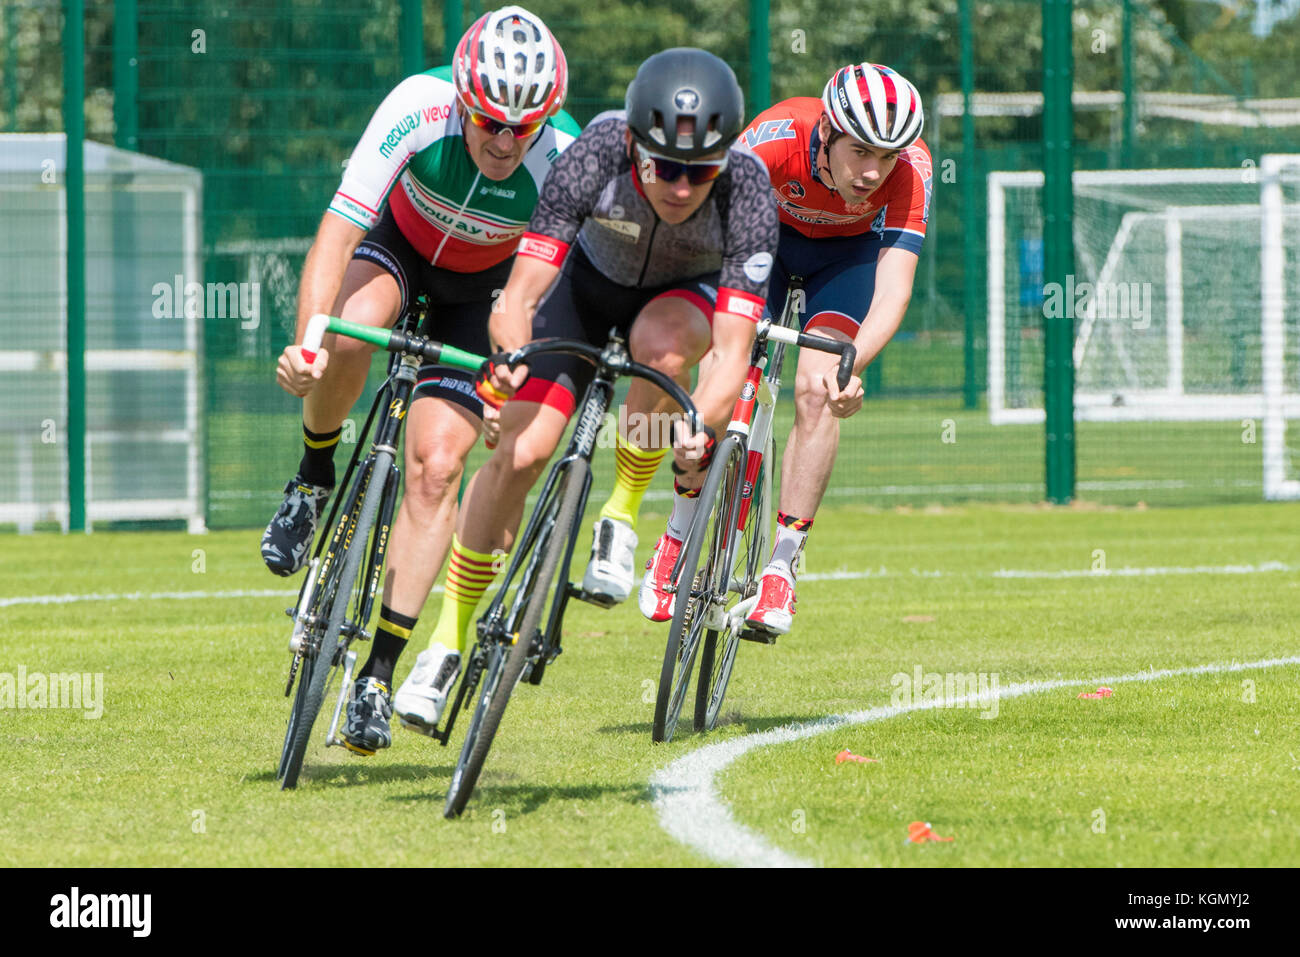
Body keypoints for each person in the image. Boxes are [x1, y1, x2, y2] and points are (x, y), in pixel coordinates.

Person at [390, 48, 780, 733]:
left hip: (678, 302)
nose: (682, 187)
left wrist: (699, 423)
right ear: (633, 145)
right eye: (665, 167)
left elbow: (731, 351)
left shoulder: (747, 190)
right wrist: (509, 356)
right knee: (520, 454)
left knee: (659, 347)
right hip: (584, 288)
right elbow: (519, 294)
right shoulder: (598, 147)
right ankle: (445, 642)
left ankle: (620, 516)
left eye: (699, 171)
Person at [261, 6, 579, 755]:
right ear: (464, 102)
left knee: (437, 468)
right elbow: (337, 235)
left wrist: (511, 387)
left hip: (487, 296)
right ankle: (312, 479)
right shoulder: (416, 104)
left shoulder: (561, 159)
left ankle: (377, 673)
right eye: (490, 122)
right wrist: (307, 341)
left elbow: (547, 295)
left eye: (522, 128)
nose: (505, 141)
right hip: (399, 248)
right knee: (349, 332)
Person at [637, 62, 933, 635]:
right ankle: (677, 531)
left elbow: (894, 292)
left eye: (887, 157)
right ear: (826, 131)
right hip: (762, 245)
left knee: (817, 390)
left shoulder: (913, 171)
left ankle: (782, 564)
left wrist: (852, 368)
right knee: (726, 367)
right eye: (861, 151)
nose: (873, 172)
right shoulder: (775, 139)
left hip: (845, 263)